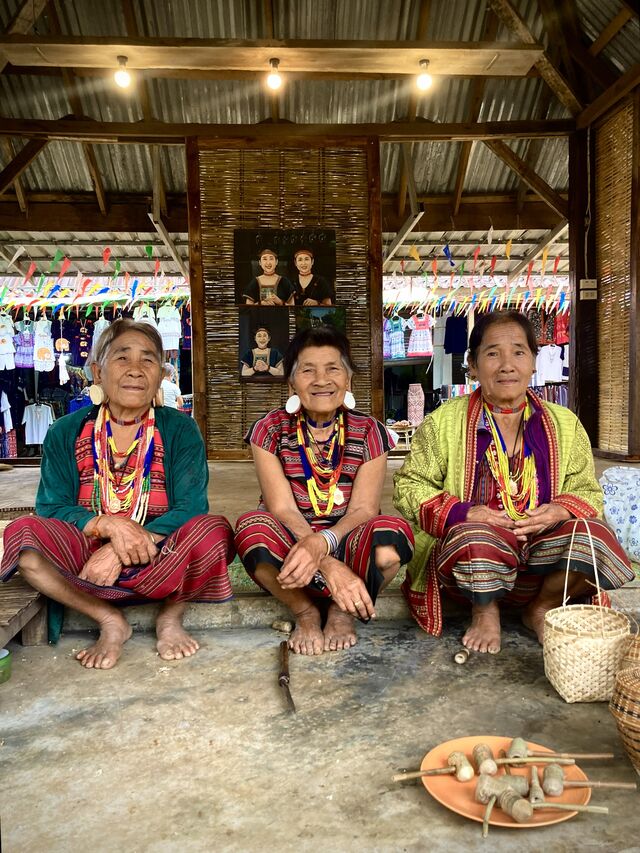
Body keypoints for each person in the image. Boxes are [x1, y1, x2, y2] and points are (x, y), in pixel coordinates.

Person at [393, 310, 634, 654]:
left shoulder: (564, 423)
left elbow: (587, 491)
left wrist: (558, 511)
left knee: (597, 536)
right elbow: (409, 486)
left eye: (519, 352)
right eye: (493, 353)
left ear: (533, 362)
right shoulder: (443, 422)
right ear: (473, 365)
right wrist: (464, 513)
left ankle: (543, 606)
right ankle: (485, 610)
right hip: (472, 564)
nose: (507, 365)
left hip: (544, 564)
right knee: (472, 535)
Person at [0, 319, 235, 670]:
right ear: (98, 371)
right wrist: (107, 526)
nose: (136, 370)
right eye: (122, 358)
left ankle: (170, 616)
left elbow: (192, 507)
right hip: (87, 564)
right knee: (22, 534)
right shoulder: (65, 431)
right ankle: (109, 619)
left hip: (160, 556)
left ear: (160, 375)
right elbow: (51, 507)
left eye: (148, 360)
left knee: (214, 530)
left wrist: (121, 548)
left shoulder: (180, 429)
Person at [235, 326, 414, 655]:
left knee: (391, 540)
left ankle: (341, 612)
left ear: (348, 379)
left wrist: (326, 543)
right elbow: (282, 508)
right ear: (291, 382)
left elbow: (363, 510)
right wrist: (326, 561)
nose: (321, 380)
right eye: (308, 370)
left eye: (333, 369)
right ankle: (305, 612)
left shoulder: (370, 431)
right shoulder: (269, 429)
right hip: (291, 546)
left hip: (348, 541)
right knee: (252, 530)